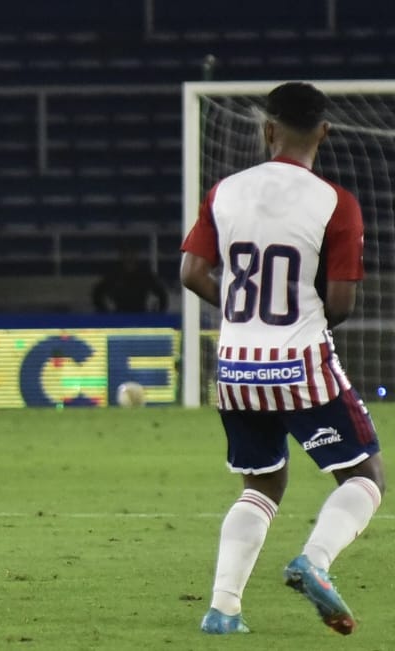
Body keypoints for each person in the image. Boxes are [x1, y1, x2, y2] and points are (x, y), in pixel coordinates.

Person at [180, 82, 384, 636]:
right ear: (325, 132)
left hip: (236, 369)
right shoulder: (335, 203)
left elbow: (192, 273)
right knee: (363, 475)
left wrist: (249, 315)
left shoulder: (224, 191)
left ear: (267, 129)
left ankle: (223, 610)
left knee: (261, 486)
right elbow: (341, 302)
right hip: (299, 364)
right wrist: (293, 316)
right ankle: (313, 561)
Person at [92, 244, 169, 313]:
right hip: (119, 315)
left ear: (136, 255)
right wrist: (104, 311)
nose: (129, 256)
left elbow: (161, 295)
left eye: (132, 253)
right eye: (126, 253)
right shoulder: (114, 274)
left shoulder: (145, 274)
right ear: (121, 255)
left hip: (141, 314)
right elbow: (97, 294)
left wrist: (158, 313)